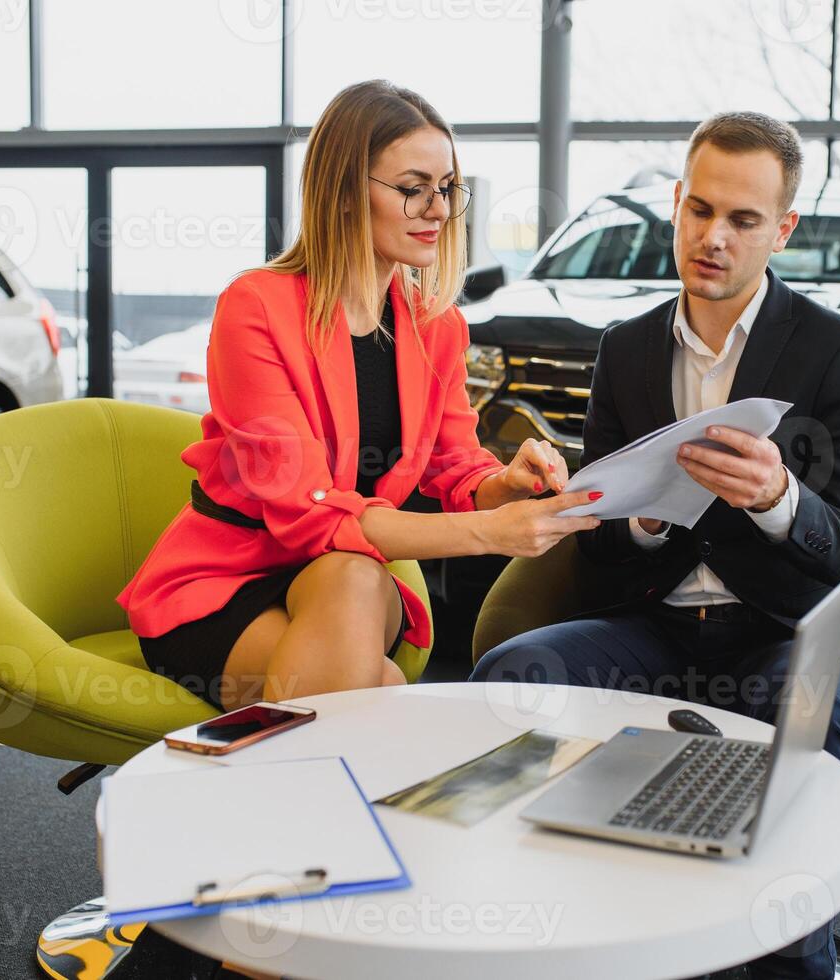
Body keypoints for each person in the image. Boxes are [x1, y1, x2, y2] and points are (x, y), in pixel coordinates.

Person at [469, 111, 840, 980]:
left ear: (783, 230)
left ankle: (789, 966)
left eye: (742, 220)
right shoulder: (624, 350)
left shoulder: (836, 351)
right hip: (651, 628)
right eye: (699, 211)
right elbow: (601, 551)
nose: (713, 238)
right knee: (511, 677)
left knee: (791, 741)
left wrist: (779, 497)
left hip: (780, 631)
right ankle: (546, 942)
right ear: (676, 205)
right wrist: (641, 518)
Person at [116, 78, 599, 713]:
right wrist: (491, 531)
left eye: (447, 189)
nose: (436, 209)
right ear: (344, 193)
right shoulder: (255, 307)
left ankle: (248, 801)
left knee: (350, 582)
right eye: (412, 188)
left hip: (354, 580)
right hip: (224, 587)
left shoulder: (437, 327)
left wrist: (508, 483)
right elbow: (310, 516)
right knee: (379, 684)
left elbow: (456, 466)